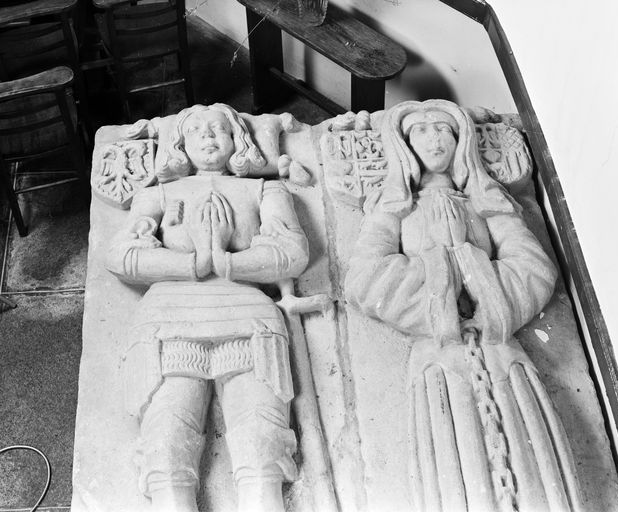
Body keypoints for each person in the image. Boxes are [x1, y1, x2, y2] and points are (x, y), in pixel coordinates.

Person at [345, 100, 584, 512]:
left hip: (500, 348)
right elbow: (365, 279)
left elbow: (535, 267)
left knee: (529, 467)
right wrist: (445, 270)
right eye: (420, 131)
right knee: (459, 466)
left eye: (444, 129)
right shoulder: (394, 206)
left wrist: (468, 264)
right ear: (403, 145)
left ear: (462, 140)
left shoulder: (484, 200)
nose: (434, 139)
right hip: (439, 355)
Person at [106, 104, 309, 512]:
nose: (208, 135)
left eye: (219, 128)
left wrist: (226, 260)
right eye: (196, 130)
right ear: (180, 145)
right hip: (169, 326)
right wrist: (195, 264)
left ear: (238, 140)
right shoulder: (158, 194)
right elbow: (121, 256)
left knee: (263, 449)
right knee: (166, 451)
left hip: (249, 325)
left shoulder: (264, 191)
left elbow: (293, 253)